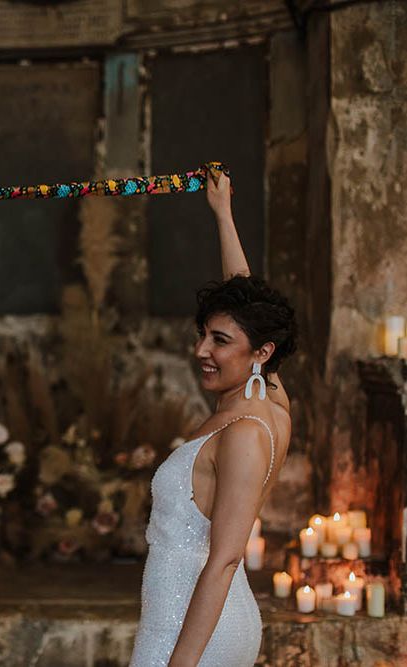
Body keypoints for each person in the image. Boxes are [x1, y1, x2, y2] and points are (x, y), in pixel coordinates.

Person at [129, 171, 297, 666]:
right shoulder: (266, 397)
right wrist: (222, 213)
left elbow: (223, 560)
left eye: (219, 342)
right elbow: (246, 302)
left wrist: (179, 663)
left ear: (261, 353)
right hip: (183, 617)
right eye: (203, 333)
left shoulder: (246, 433)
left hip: (194, 631)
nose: (201, 349)